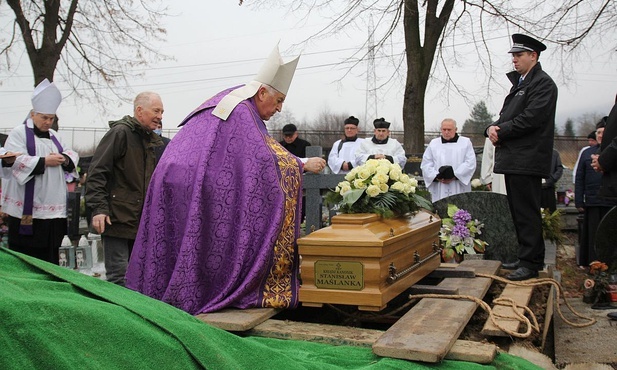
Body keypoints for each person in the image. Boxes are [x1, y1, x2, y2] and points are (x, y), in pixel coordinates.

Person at [126, 45, 326, 315]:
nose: (279, 109)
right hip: (189, 181)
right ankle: (195, 292)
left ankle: (168, 293)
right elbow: (265, 157)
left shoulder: (230, 101)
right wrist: (302, 163)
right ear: (262, 92)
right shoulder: (243, 111)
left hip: (175, 178)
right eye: (278, 100)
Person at [486, 34, 558, 281]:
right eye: (513, 56)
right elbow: (507, 116)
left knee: (527, 211)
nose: (514, 60)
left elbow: (532, 118)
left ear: (533, 56)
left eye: (519, 55)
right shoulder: (522, 83)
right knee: (519, 211)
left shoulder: (543, 84)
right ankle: (527, 256)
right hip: (516, 158)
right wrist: (492, 127)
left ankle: (531, 262)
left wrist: (502, 130)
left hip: (527, 159)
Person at [85, 92, 164, 286]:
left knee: (136, 277)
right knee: (119, 278)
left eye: (162, 112)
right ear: (139, 110)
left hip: (138, 221)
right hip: (117, 219)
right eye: (156, 110)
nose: (160, 116)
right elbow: (97, 173)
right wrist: (99, 208)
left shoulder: (149, 140)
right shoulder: (120, 133)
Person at [1, 79, 79, 264]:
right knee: (27, 259)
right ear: (33, 114)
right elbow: (15, 160)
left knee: (52, 256)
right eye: (44, 117)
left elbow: (71, 154)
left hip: (55, 210)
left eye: (51, 118)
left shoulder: (55, 136)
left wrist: (65, 159)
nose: (48, 122)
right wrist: (45, 161)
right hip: (28, 211)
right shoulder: (19, 133)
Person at [576, 118, 615, 266]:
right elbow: (580, 177)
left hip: (611, 200)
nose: (600, 135)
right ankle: (593, 263)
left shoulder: (612, 152)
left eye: (603, 132)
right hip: (593, 200)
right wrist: (579, 199)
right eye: (598, 132)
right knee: (593, 234)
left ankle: (609, 264)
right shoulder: (587, 153)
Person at [421, 118, 476, 202]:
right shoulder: (434, 143)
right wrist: (436, 176)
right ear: (441, 129)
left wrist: (454, 175)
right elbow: (426, 163)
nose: (446, 132)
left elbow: (470, 162)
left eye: (449, 130)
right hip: (439, 186)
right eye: (444, 129)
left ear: (456, 129)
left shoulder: (465, 142)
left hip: (458, 184)